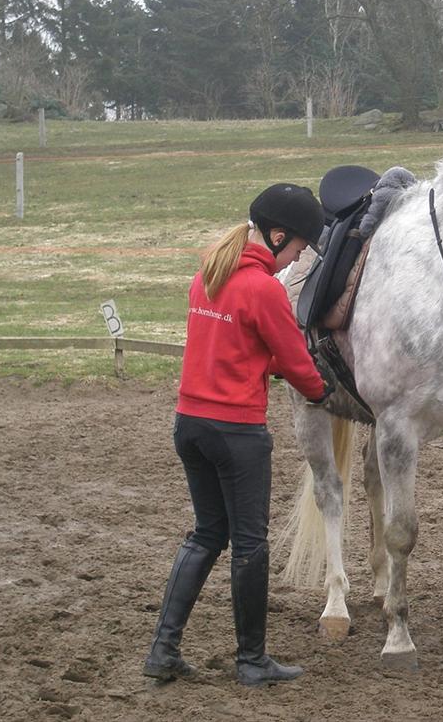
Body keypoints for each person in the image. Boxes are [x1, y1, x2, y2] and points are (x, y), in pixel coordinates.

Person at [142, 183, 334, 687]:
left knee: (207, 533)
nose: (296, 259)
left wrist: (267, 364)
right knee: (250, 543)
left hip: (190, 423)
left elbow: (239, 344)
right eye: (296, 249)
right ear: (277, 235)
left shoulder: (209, 271)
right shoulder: (263, 289)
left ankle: (164, 648)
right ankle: (251, 660)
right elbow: (295, 360)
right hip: (236, 431)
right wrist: (322, 390)